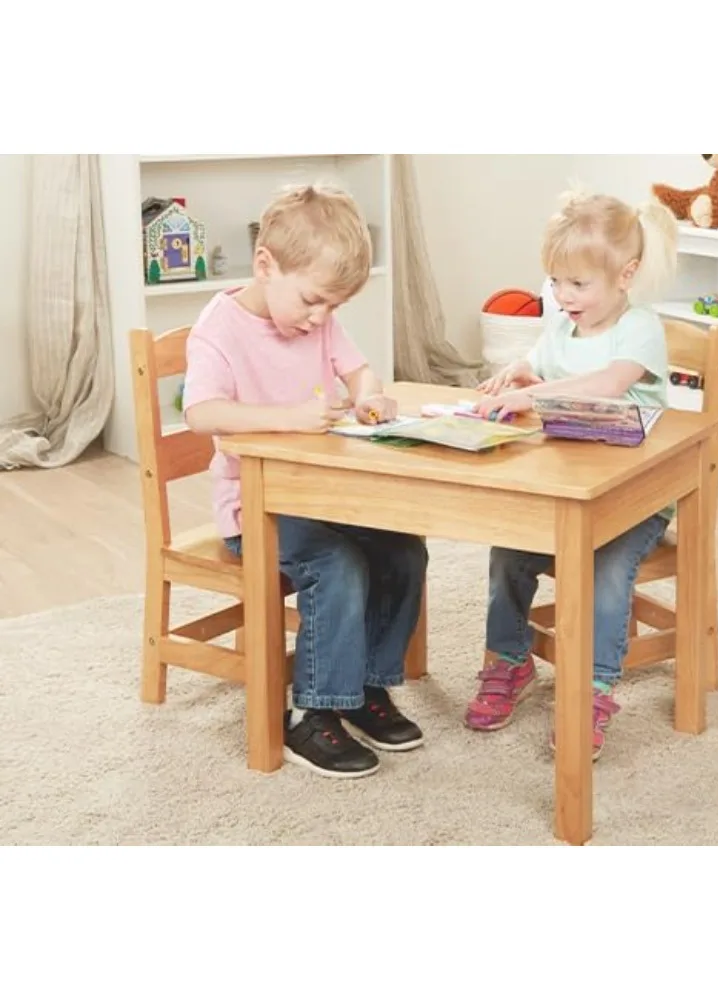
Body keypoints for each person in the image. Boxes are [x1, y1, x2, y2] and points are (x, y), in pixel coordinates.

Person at [183, 183, 428, 780]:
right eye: (314, 301)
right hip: (256, 509)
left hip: (323, 495)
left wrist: (371, 398)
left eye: (333, 309)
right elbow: (202, 413)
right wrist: (285, 419)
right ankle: (313, 712)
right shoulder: (220, 328)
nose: (321, 319)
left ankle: (366, 687)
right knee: (336, 564)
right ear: (266, 265)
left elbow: (359, 371)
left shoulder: (316, 322)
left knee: (402, 549)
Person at [465, 189, 679, 760]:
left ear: (625, 276)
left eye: (578, 284)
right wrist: (518, 370)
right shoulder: (561, 325)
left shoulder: (640, 330)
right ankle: (508, 661)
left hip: (635, 500)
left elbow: (608, 384)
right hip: (564, 488)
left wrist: (531, 394)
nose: (563, 297)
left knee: (605, 569)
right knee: (509, 548)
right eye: (556, 282)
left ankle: (593, 690)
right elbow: (539, 359)